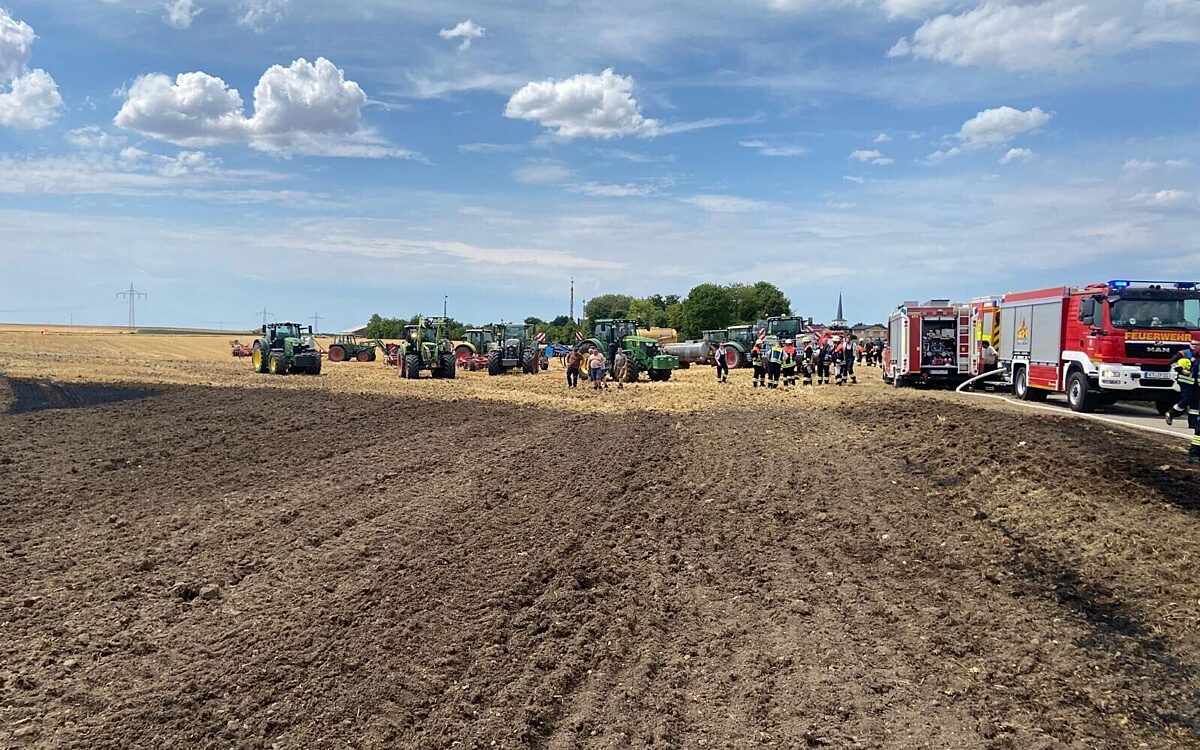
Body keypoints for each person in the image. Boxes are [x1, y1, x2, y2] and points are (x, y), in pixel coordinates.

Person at [1166, 339, 1200, 426]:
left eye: (1197, 344)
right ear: (1190, 345)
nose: (1195, 346)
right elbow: (1172, 362)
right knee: (1186, 399)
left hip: (1196, 382)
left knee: (1196, 402)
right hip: (1184, 380)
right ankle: (1171, 413)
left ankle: (1193, 423)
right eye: (1193, 344)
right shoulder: (1183, 353)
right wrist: (1181, 370)